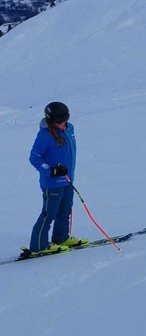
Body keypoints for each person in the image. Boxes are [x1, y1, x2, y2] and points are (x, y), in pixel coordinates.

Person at [24, 101, 89, 256]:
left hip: (67, 179)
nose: (62, 124)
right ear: (51, 120)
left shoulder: (69, 129)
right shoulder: (45, 135)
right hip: (52, 183)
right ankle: (38, 245)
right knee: (49, 213)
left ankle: (61, 237)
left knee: (65, 210)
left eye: (64, 120)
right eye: (59, 121)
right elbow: (34, 157)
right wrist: (50, 171)